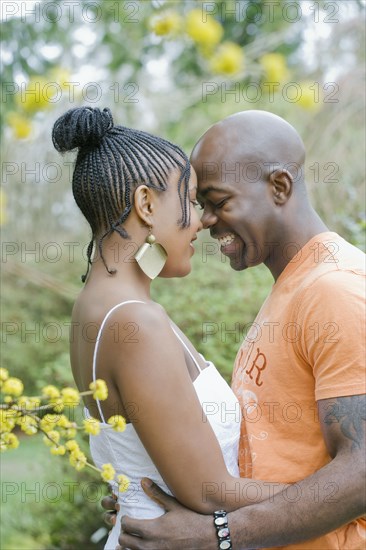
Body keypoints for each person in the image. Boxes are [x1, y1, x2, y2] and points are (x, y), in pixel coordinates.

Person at [112, 111, 366, 549]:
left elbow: (361, 470)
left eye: (218, 201)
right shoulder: (293, 287)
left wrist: (218, 535)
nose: (205, 221)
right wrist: (150, 500)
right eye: (199, 205)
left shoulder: (334, 289)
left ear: (279, 187)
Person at [52, 107, 290, 550]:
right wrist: (337, 495)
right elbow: (209, 490)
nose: (201, 220)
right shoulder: (133, 320)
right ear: (145, 204)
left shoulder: (98, 305)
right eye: (190, 200)